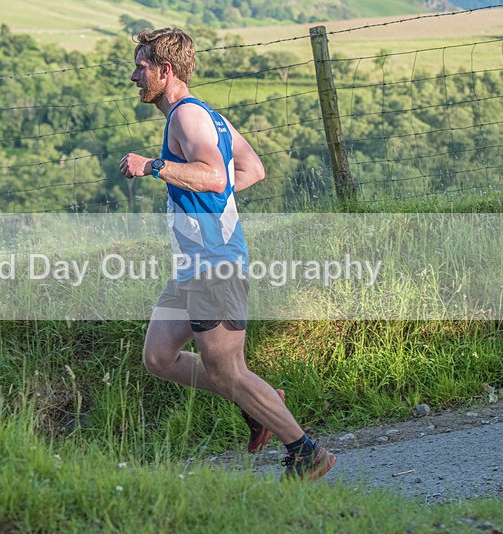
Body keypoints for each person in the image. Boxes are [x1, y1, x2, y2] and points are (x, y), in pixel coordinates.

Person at [119, 27, 336, 480]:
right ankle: (258, 400)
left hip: (215, 262)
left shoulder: (187, 118)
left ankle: (305, 451)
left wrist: (154, 166)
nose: (134, 76)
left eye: (141, 67)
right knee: (159, 357)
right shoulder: (208, 118)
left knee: (227, 370)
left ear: (166, 69)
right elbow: (251, 169)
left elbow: (216, 177)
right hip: (192, 264)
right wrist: (204, 197)